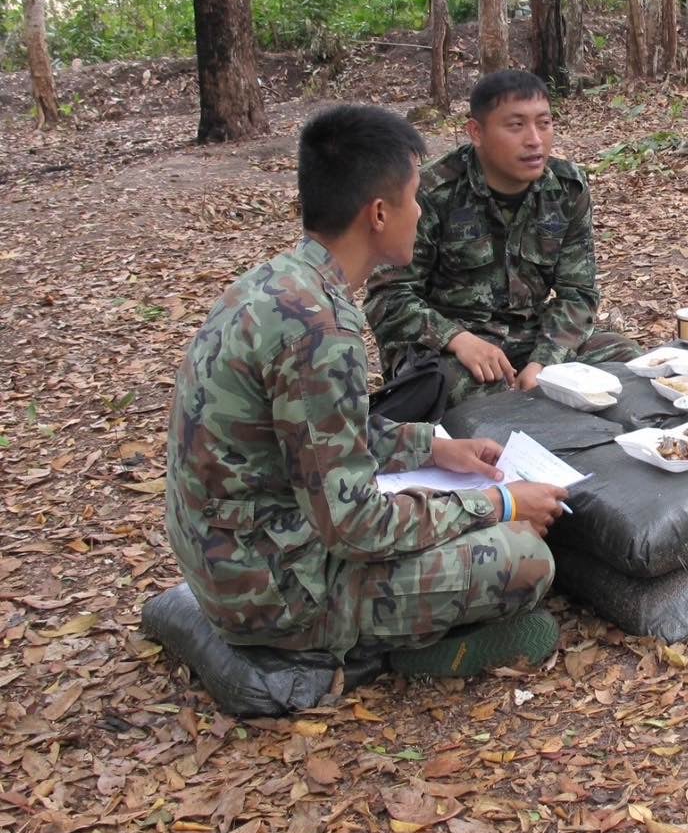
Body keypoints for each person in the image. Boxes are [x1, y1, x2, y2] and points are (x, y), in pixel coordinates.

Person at [166, 105, 568, 678]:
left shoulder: (275, 284)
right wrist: (499, 504)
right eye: (414, 198)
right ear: (379, 213)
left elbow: (321, 433)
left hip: (232, 556)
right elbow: (356, 527)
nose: (421, 211)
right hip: (275, 596)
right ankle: (402, 652)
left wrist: (430, 449)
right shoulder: (319, 331)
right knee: (525, 558)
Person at [366, 70, 637, 408]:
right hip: (447, 348)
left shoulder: (566, 189)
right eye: (516, 125)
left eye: (544, 123)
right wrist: (457, 339)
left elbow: (578, 293)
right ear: (476, 132)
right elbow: (387, 297)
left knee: (625, 362)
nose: (534, 140)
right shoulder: (431, 192)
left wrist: (545, 362)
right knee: (464, 392)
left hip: (531, 337)